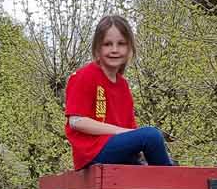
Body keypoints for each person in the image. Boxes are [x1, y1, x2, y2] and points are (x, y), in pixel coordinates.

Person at [64, 14, 174, 168]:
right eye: (107, 44)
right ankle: (169, 184)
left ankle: (169, 180)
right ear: (97, 48)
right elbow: (76, 121)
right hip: (93, 151)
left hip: (117, 149)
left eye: (121, 44)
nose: (114, 50)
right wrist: (121, 132)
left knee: (160, 156)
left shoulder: (123, 85)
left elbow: (131, 128)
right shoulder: (86, 75)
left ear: (129, 48)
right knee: (152, 135)